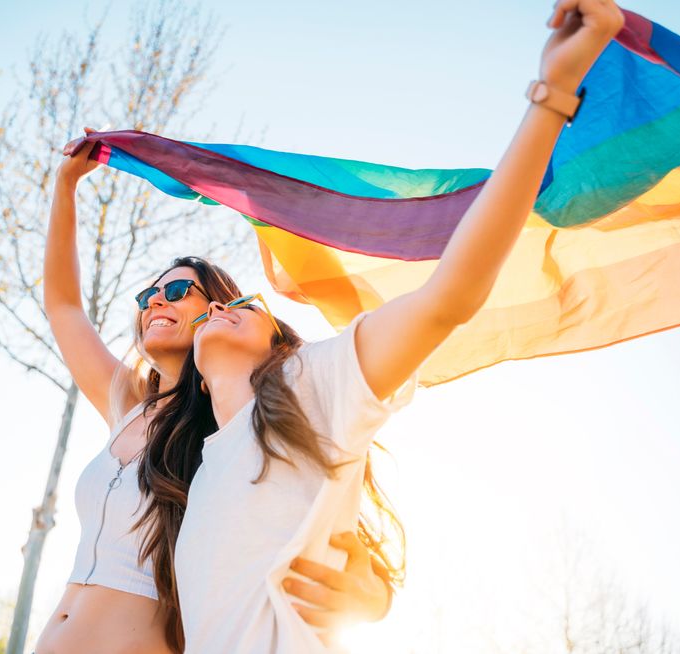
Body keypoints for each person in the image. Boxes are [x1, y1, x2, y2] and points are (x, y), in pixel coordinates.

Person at [165, 1, 627, 652]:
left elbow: (449, 295)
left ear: (279, 345)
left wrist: (552, 95)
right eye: (207, 307)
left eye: (244, 305)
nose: (219, 307)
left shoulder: (312, 383)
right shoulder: (195, 467)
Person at [36, 156, 395, 653]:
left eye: (178, 289)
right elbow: (64, 307)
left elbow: (321, 503)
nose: (156, 301)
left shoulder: (233, 422)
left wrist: (373, 598)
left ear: (216, 310)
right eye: (148, 295)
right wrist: (66, 183)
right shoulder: (129, 406)